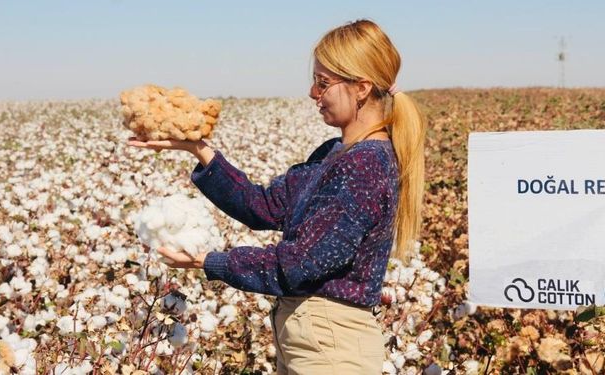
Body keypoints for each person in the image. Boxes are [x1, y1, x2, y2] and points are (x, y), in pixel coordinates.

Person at [128, 19, 425, 375]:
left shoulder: (364, 164)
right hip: (311, 336)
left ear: (361, 87)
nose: (314, 94)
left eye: (323, 83)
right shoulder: (336, 153)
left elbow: (301, 264)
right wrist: (199, 149)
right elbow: (264, 207)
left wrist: (210, 262)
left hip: (331, 344)